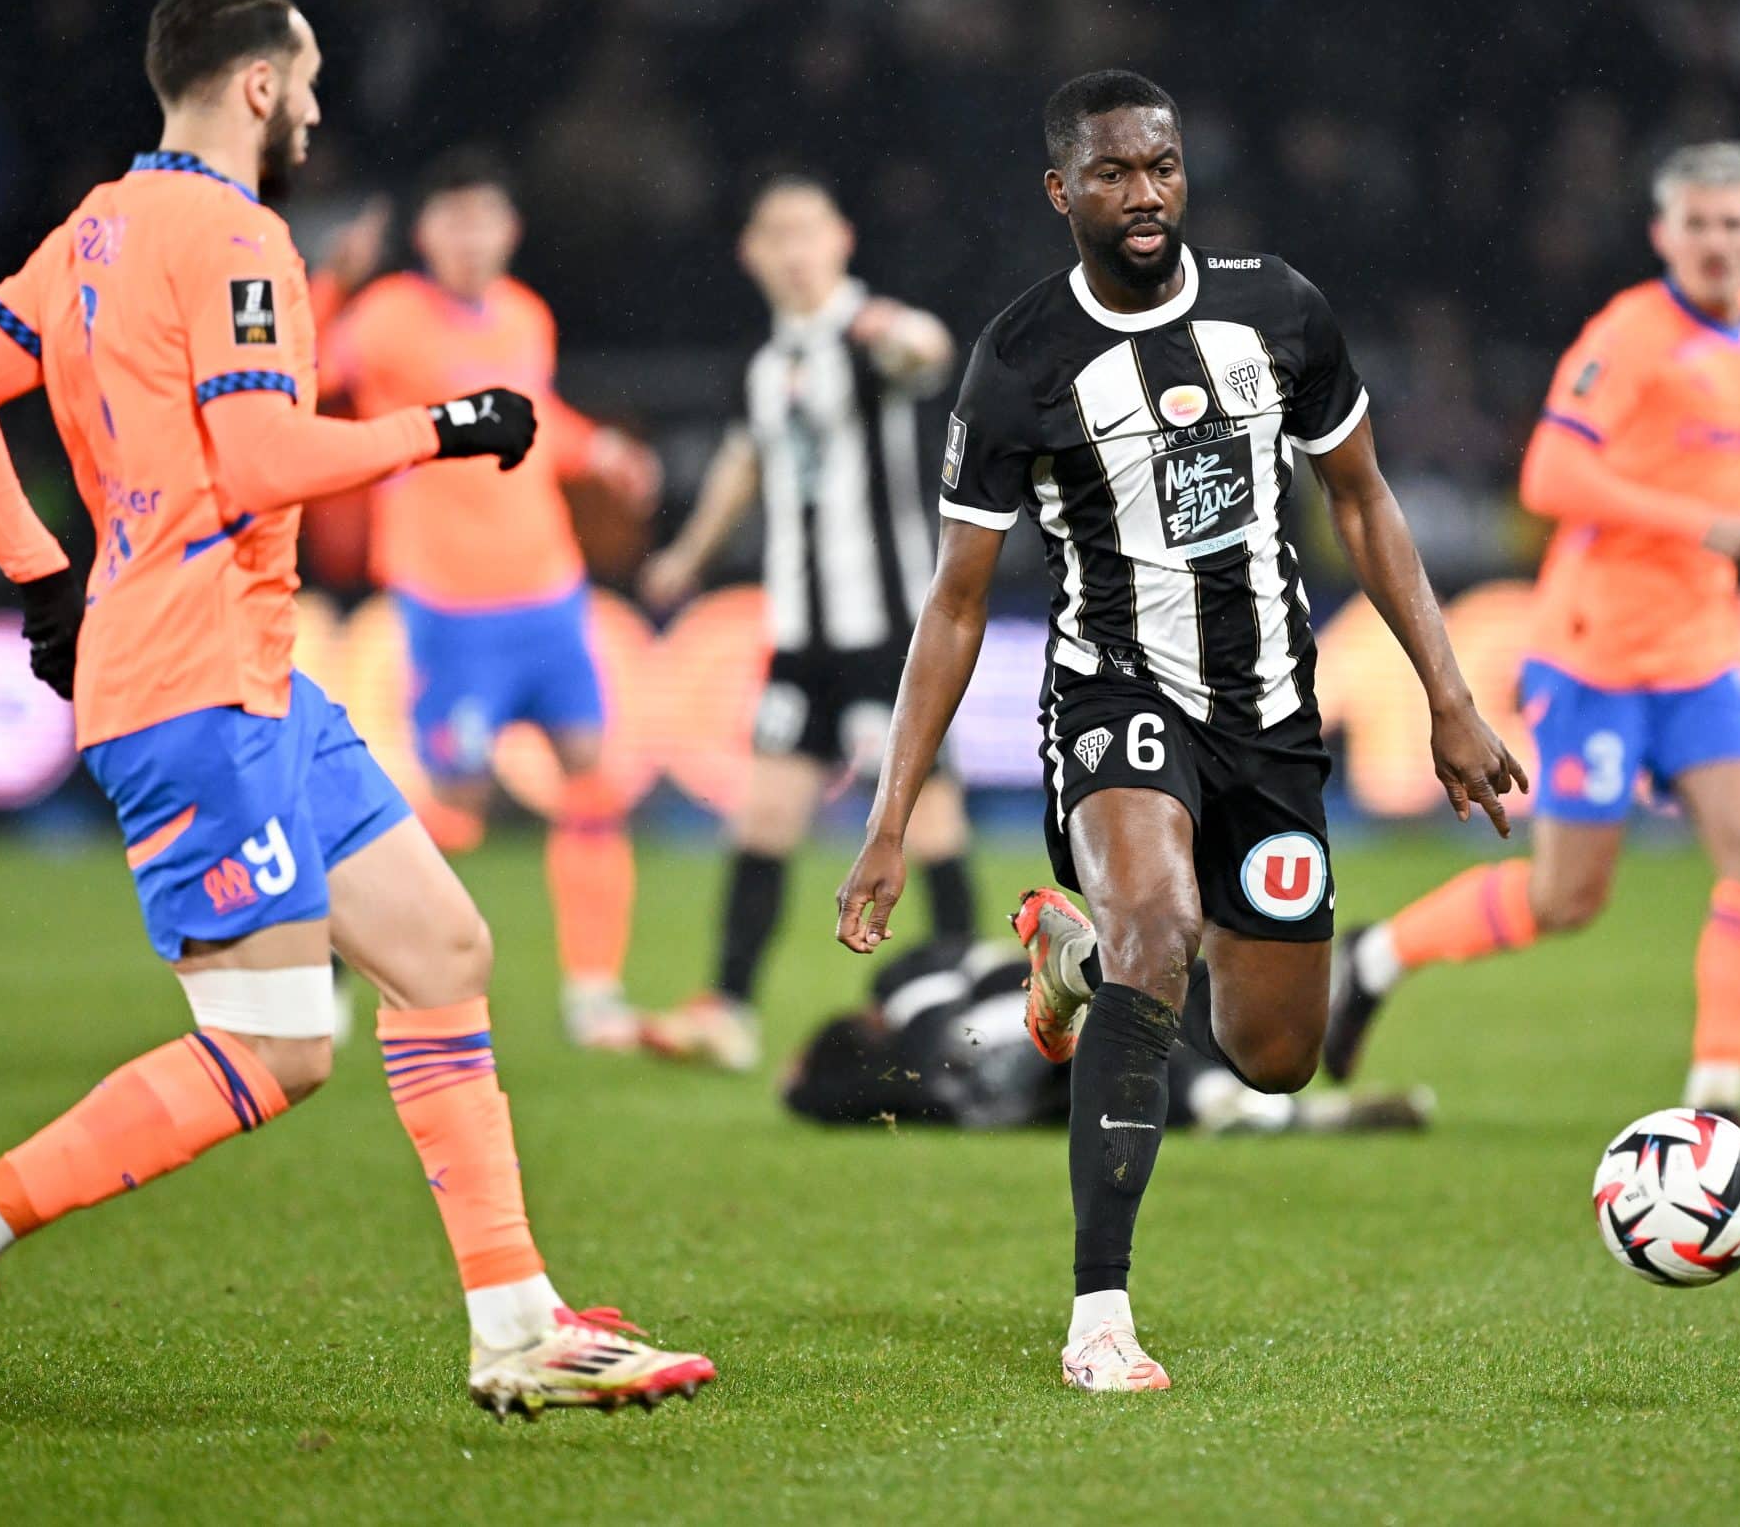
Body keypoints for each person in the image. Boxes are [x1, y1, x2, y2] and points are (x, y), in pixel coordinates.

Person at [0, 0, 711, 1425]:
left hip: (249, 674)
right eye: (307, 80)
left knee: (444, 945)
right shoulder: (239, 235)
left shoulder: (91, 231)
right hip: (195, 684)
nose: (318, 108)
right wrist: (441, 427)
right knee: (276, 1048)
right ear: (258, 83)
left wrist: (43, 577)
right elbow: (260, 463)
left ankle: (517, 1319)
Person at [833, 71, 1525, 1392]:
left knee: (1274, 1055)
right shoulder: (1022, 360)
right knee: (1159, 931)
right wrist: (885, 820)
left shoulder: (1279, 309)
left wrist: (1447, 695)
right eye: (1111, 174)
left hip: (1269, 717)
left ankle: (1074, 965)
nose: (1142, 193)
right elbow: (957, 602)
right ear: (1061, 192)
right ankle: (1100, 1311)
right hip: (1115, 696)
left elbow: (1365, 503)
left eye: (1160, 166)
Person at [1323, 142, 1740, 1179]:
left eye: (1733, 224)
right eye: (1695, 224)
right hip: (1596, 653)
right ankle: (1375, 960)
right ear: (1664, 236)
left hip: (1700, 656)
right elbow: (1550, 471)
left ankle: (1716, 1101)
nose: (1715, 242)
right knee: (1568, 898)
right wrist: (1686, 520)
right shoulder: (1627, 336)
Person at [319, 147, 660, 1050]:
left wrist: (600, 452)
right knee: (456, 804)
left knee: (593, 776)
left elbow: (536, 415)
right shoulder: (385, 316)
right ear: (424, 232)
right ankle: (333, 947)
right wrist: (330, 285)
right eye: (452, 220)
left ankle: (594, 991)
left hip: (548, 597)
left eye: (486, 219)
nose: (471, 238)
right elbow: (300, 378)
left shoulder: (524, 315)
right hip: (450, 608)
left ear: (510, 230)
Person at [637, 173, 978, 1071]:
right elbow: (745, 462)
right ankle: (732, 1011)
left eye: (807, 231)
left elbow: (927, 352)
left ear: (841, 240)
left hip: (891, 634)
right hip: (800, 638)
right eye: (774, 234)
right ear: (751, 254)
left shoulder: (869, 336)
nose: (792, 250)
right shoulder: (768, 363)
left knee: (928, 825)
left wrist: (907, 332)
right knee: (763, 818)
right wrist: (687, 557)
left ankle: (977, 1014)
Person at [782, 928, 1433, 1137]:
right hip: (1019, 1026)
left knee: (1124, 1074)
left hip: (1001, 1078)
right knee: (1138, 1020)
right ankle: (1249, 1092)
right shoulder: (909, 986)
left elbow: (817, 1097)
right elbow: (998, 964)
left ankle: (1251, 1104)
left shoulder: (904, 1070)